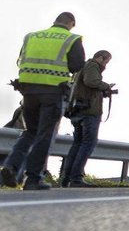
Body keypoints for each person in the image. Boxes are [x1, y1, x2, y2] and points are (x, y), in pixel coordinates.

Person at [2, 12, 85, 191]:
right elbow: (77, 66)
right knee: (45, 135)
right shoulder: (72, 38)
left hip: (28, 92)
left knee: (30, 131)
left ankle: (11, 165)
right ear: (71, 23)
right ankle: (33, 178)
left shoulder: (32, 36)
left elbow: (20, 60)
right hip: (53, 92)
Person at [60, 50, 115, 187]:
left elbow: (86, 86)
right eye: (107, 61)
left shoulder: (81, 67)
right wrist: (106, 86)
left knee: (77, 144)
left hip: (77, 110)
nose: (106, 65)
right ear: (101, 58)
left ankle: (67, 178)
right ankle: (76, 177)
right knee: (88, 143)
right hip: (89, 111)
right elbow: (91, 81)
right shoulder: (92, 65)